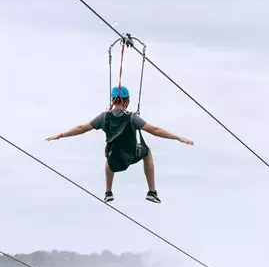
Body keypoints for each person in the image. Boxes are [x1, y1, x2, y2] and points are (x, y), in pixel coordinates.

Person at [45, 86, 193, 204]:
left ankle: (108, 192)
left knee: (109, 157)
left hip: (114, 161)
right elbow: (154, 130)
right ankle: (152, 192)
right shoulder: (132, 118)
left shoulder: (104, 117)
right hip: (131, 156)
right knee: (147, 152)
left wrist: (61, 135)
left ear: (112, 100)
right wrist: (177, 137)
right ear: (127, 101)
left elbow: (82, 128)